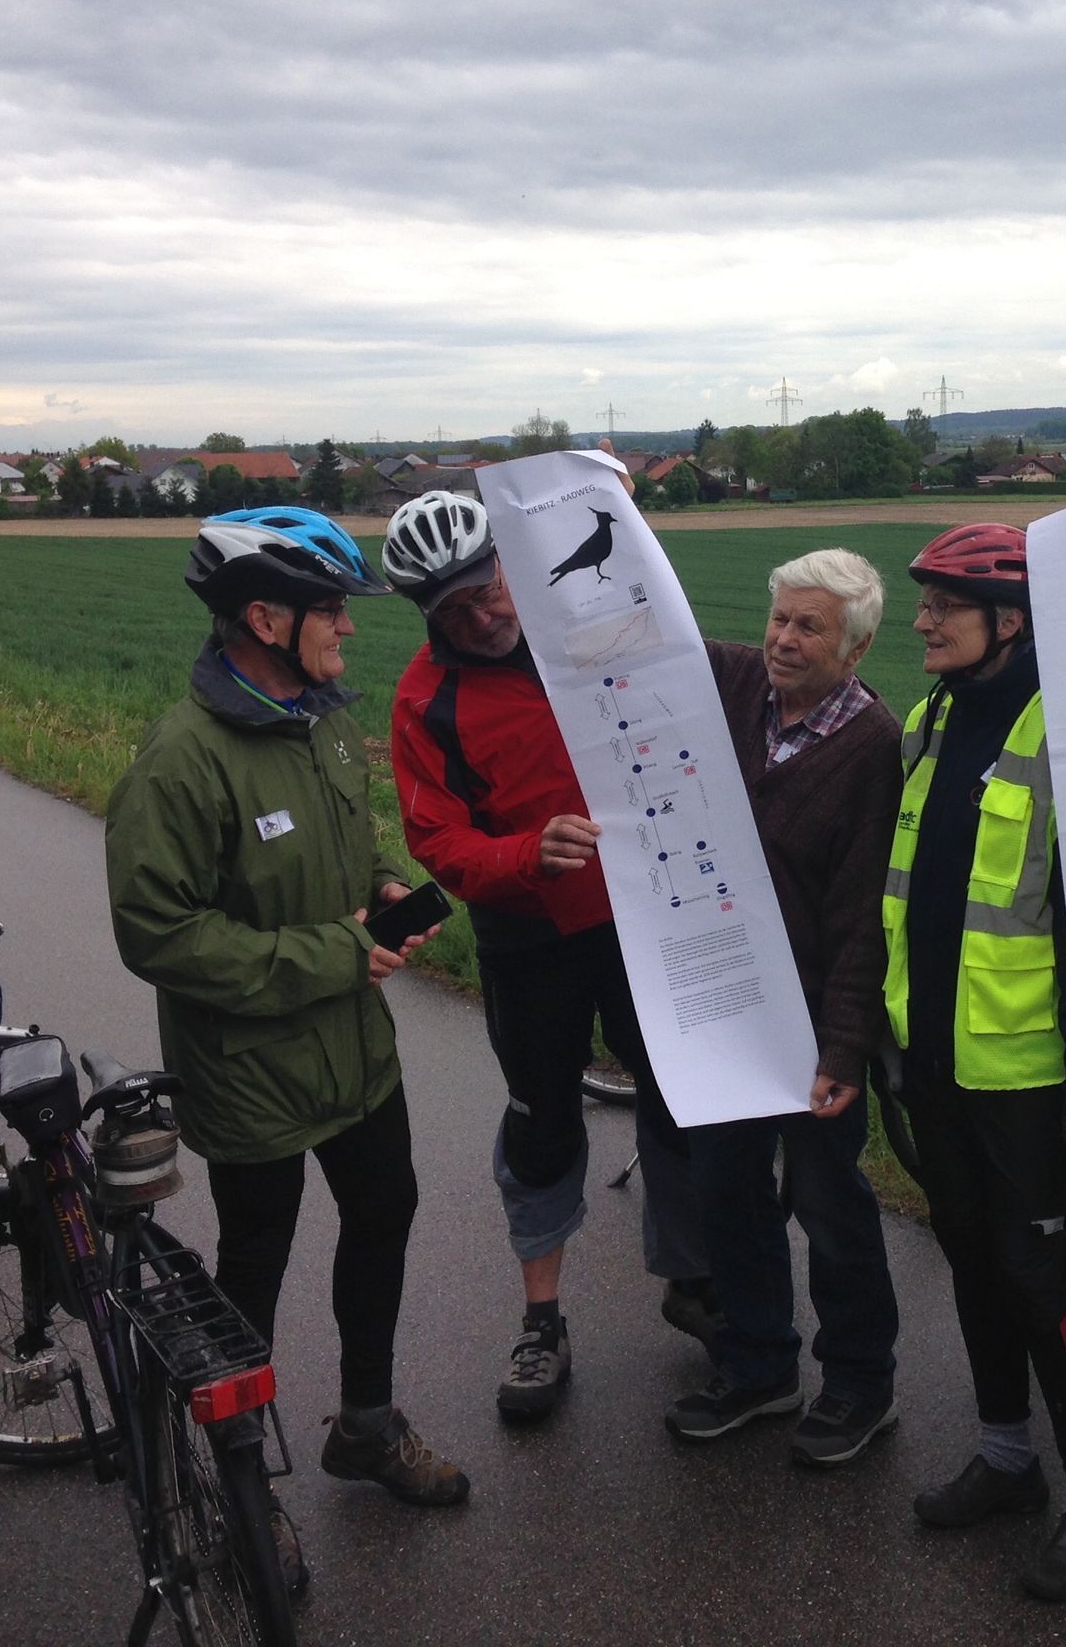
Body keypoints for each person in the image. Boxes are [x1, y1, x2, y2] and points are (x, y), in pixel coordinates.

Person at [106, 506, 468, 1510]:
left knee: (383, 1216)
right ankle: (237, 1490)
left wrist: (387, 887)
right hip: (251, 1071)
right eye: (331, 612)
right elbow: (159, 936)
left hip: (358, 1054)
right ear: (265, 620)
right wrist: (341, 952)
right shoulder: (180, 762)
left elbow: (351, 848)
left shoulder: (325, 720)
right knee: (251, 1272)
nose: (348, 629)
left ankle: (366, 1426)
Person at [382, 490, 714, 1424]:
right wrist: (523, 856)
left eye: (490, 589)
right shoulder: (426, 700)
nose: (484, 616)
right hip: (531, 940)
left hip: (645, 919)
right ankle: (542, 1323)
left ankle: (693, 1280)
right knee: (542, 1125)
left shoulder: (586, 634)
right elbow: (438, 843)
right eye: (456, 611)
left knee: (680, 1100)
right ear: (428, 617)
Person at [883, 521, 1066, 1603]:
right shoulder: (931, 719)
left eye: (945, 603)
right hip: (931, 1055)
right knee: (974, 1264)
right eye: (924, 599)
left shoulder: (1063, 730)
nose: (924, 619)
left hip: (1025, 1073)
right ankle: (1004, 1454)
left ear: (1012, 622)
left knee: (1044, 1277)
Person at [669, 548, 903, 1464]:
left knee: (830, 1203)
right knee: (726, 1192)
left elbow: (859, 921)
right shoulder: (739, 686)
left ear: (857, 644)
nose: (784, 640)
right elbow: (650, 631)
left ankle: (859, 1383)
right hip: (728, 1006)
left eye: (810, 626)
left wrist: (843, 1051)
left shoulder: (872, 746)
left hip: (813, 1019)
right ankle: (760, 1363)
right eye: (779, 619)